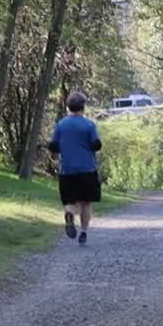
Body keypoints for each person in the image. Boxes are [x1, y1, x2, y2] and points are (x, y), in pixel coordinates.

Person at [48, 92, 102, 245]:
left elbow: (53, 146)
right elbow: (96, 144)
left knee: (71, 201)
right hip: (87, 169)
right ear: (83, 107)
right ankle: (83, 233)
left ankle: (70, 214)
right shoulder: (89, 125)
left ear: (68, 107)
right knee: (86, 202)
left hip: (67, 170)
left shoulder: (61, 124)